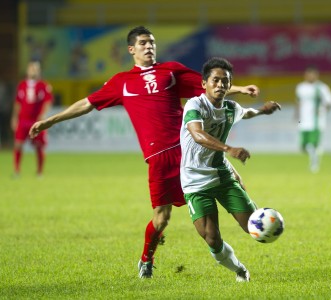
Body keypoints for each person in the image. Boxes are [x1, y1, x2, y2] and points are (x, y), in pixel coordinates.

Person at [29, 26, 260, 278]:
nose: (149, 46)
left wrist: (239, 89)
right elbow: (87, 103)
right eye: (142, 43)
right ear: (131, 49)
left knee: (230, 185)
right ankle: (146, 260)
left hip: (188, 151)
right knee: (161, 219)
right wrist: (51, 120)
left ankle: (250, 230)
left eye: (152, 42)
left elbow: (211, 84)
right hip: (159, 159)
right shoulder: (121, 82)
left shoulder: (170, 70)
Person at [180, 57, 281, 282]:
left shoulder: (231, 108)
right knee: (212, 238)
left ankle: (265, 225)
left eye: (225, 81)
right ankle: (239, 270)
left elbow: (246, 113)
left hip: (222, 176)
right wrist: (229, 148)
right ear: (204, 83)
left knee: (253, 225)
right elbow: (197, 134)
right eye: (215, 80)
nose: (220, 85)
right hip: (195, 182)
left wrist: (263, 111)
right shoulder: (195, 105)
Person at [11, 60, 53, 177]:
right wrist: (14, 117)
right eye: (31, 68)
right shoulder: (22, 85)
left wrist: (43, 115)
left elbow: (48, 101)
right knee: (18, 144)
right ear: (27, 70)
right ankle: (17, 171)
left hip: (36, 121)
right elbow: (17, 103)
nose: (33, 70)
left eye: (35, 68)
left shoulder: (44, 85)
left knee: (39, 146)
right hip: (23, 120)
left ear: (39, 71)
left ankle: (39, 172)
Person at [295, 66, 331, 173]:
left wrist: (323, 110)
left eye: (313, 74)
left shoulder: (321, 87)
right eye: (308, 74)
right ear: (305, 75)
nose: (310, 76)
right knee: (303, 146)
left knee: (312, 144)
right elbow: (298, 102)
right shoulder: (301, 87)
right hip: (303, 121)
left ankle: (314, 163)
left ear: (316, 75)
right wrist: (296, 115)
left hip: (316, 121)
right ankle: (316, 154)